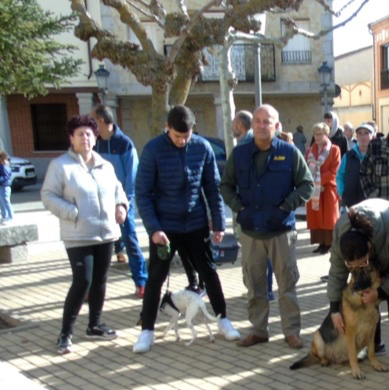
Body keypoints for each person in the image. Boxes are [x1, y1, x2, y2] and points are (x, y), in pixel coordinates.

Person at [133, 105, 240, 353]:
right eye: (177, 136)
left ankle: (223, 319)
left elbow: (212, 187)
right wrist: (154, 228)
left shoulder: (202, 148)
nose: (182, 141)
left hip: (195, 224)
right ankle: (147, 331)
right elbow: (143, 194)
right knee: (156, 279)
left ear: (193, 130)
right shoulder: (152, 150)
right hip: (165, 228)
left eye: (186, 136)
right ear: (167, 128)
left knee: (209, 272)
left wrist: (218, 221)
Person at [220, 104, 314, 349]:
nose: (262, 126)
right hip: (251, 232)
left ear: (276, 125)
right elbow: (226, 185)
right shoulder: (239, 154)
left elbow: (307, 185)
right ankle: (258, 330)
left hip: (281, 231)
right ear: (252, 125)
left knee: (287, 284)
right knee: (254, 285)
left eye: (267, 121)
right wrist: (239, 208)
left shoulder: (289, 152)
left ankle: (291, 332)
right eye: (258, 121)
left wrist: (286, 206)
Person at [41, 115, 129, 354]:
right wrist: (72, 212)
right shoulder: (60, 166)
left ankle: (95, 325)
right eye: (79, 134)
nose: (85, 138)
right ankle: (65, 334)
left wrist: (121, 205)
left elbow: (118, 190)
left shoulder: (105, 165)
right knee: (82, 281)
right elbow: (48, 195)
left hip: (106, 233)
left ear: (95, 136)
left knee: (100, 281)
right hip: (78, 235)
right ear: (71, 138)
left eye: (89, 134)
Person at [327, 199, 389, 372]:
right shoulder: (341, 235)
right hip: (378, 256)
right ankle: (375, 344)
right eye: (353, 266)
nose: (359, 268)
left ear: (369, 246)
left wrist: (381, 292)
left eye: (363, 263)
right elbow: (337, 272)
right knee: (364, 299)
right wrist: (334, 308)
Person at [91, 104, 148, 299]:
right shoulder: (94, 144)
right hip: (97, 203)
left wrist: (124, 205)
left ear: (101, 121)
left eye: (93, 121)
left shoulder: (125, 144)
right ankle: (92, 287)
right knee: (94, 247)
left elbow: (132, 178)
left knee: (130, 241)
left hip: (121, 203)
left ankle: (141, 282)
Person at [306, 122, 341, 254]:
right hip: (314, 189)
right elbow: (305, 168)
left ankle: (330, 244)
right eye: (315, 134)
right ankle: (321, 243)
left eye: (320, 134)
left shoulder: (334, 150)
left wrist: (320, 179)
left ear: (326, 134)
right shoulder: (309, 151)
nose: (317, 137)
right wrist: (313, 181)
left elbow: (335, 170)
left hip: (328, 188)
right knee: (316, 217)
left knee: (329, 217)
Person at [337, 123, 373, 209]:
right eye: (360, 133)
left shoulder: (376, 155)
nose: (363, 137)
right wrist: (343, 193)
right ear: (356, 136)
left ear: (372, 136)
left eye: (366, 133)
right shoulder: (348, 156)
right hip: (350, 203)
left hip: (370, 202)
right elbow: (340, 176)